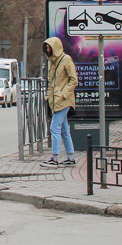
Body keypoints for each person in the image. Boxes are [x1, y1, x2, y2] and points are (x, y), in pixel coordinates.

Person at [42, 37, 79, 167]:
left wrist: (63, 94)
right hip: (55, 100)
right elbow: (51, 81)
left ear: (55, 47)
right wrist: (48, 96)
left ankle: (54, 157)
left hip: (63, 100)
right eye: (46, 48)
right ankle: (70, 157)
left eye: (49, 48)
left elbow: (73, 80)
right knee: (64, 130)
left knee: (54, 127)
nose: (47, 50)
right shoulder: (51, 62)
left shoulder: (66, 60)